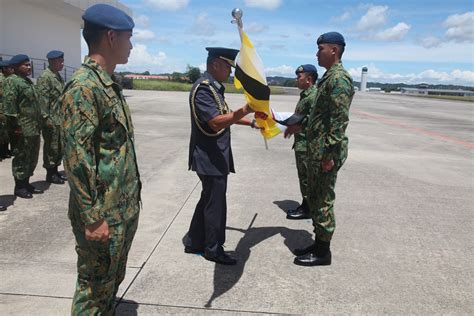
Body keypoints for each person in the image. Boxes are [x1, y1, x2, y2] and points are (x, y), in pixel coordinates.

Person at [60, 4, 141, 314]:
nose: (131, 45)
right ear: (110, 37)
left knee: (109, 283)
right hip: (102, 213)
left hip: (120, 209)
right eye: (128, 38)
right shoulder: (84, 87)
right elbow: (76, 158)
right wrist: (93, 216)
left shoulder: (107, 84)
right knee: (93, 290)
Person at [184, 47, 258, 265]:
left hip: (214, 155)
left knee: (208, 199)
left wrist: (251, 122)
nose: (230, 71)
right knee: (215, 204)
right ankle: (213, 249)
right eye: (228, 66)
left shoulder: (214, 88)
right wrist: (245, 110)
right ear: (216, 64)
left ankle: (194, 241)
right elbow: (215, 122)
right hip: (209, 157)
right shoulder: (204, 89)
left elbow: (225, 116)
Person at [290, 32, 354, 266]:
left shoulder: (339, 79)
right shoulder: (328, 78)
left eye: (320, 49)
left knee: (323, 200)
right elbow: (319, 118)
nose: (317, 53)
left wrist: (329, 155)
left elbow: (338, 121)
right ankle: (318, 244)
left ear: (334, 50)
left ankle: (323, 252)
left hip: (326, 152)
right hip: (316, 150)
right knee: (316, 198)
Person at [3, 54, 44, 199]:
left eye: (29, 64)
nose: (29, 67)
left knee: (31, 157)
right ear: (15, 67)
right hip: (21, 128)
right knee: (21, 156)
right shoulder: (11, 82)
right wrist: (15, 127)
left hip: (33, 127)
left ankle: (26, 183)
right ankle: (19, 186)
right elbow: (10, 107)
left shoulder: (27, 81)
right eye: (25, 65)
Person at [284, 64, 318, 220]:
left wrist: (295, 126)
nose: (297, 79)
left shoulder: (312, 96)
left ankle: (308, 209)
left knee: (306, 178)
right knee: (303, 177)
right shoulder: (306, 95)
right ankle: (306, 205)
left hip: (306, 144)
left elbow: (312, 121)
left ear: (309, 79)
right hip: (301, 142)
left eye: (299, 77)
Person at [37, 50, 67, 185]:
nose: (62, 63)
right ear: (52, 62)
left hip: (59, 118)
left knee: (58, 147)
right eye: (60, 61)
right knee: (51, 147)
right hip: (51, 120)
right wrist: (46, 118)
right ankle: (50, 174)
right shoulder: (45, 77)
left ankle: (55, 171)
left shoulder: (58, 76)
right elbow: (43, 100)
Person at [0, 60, 14, 161]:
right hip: (1, 108)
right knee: (2, 131)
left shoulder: (6, 78)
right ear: (4, 69)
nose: (12, 70)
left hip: (4, 107)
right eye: (10, 68)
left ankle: (5, 150)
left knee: (5, 132)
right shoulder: (2, 79)